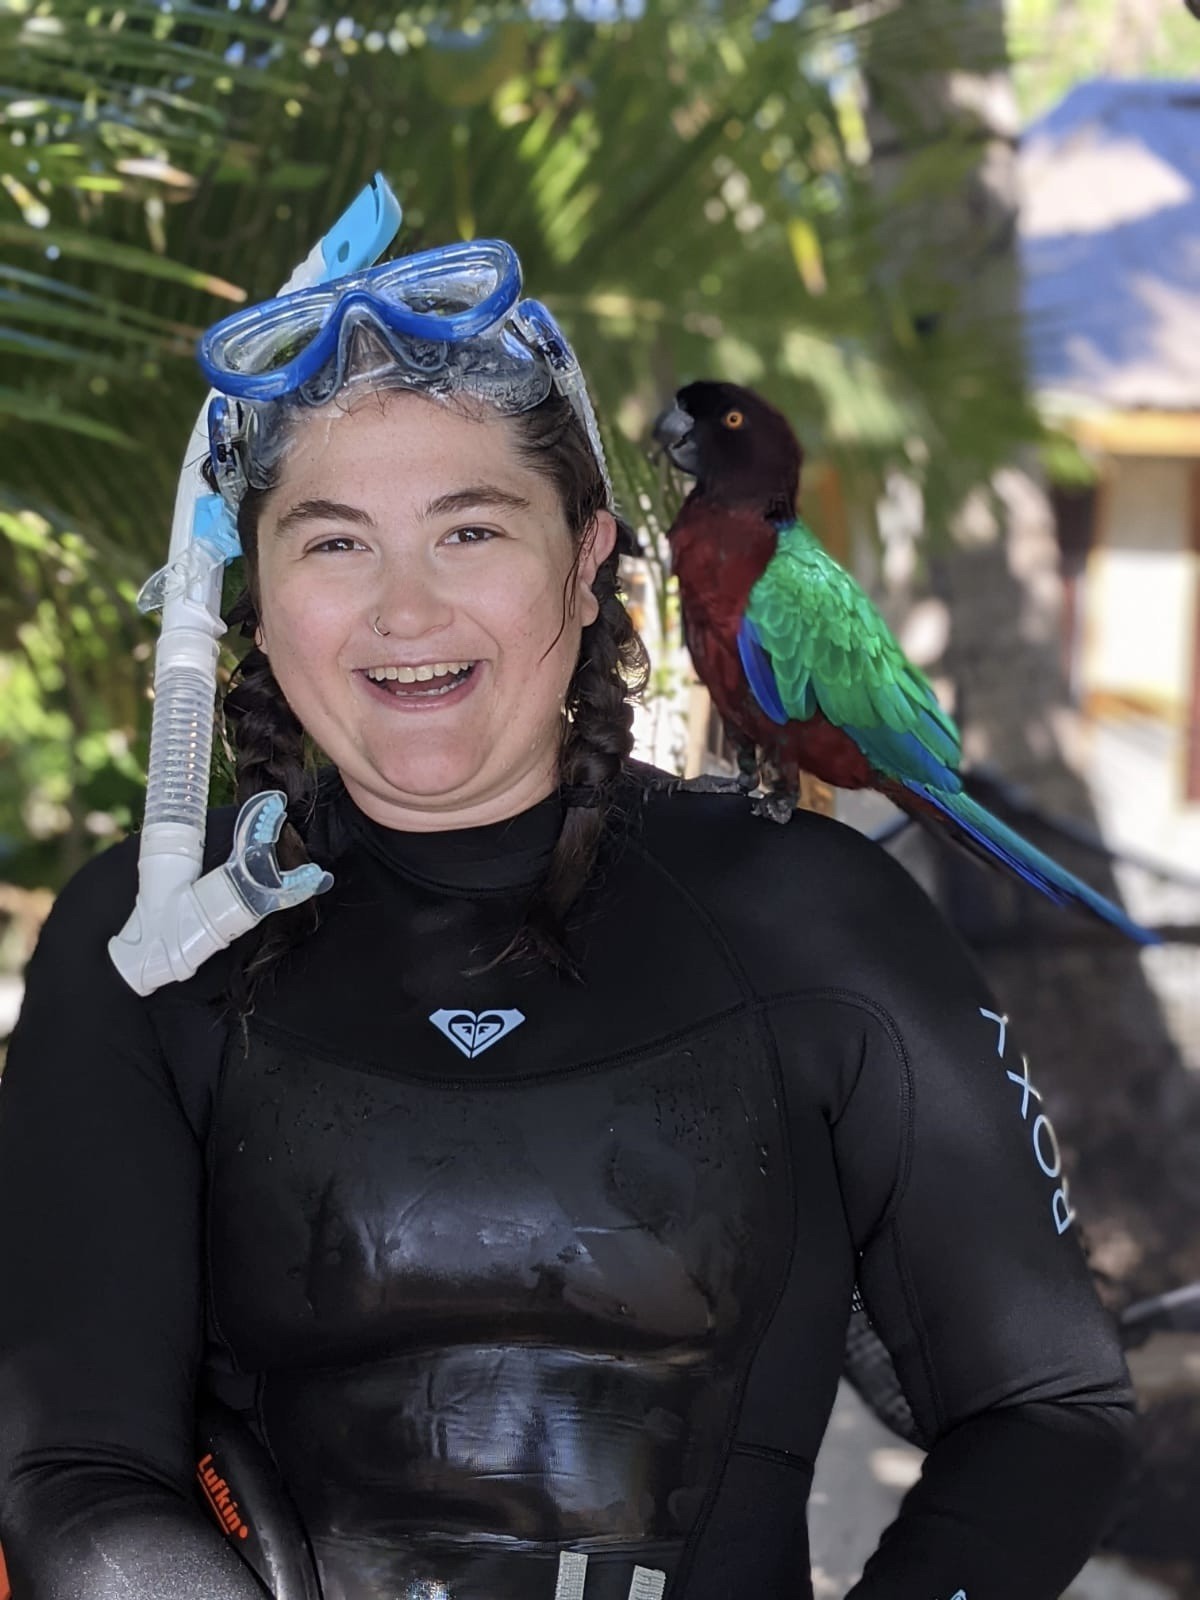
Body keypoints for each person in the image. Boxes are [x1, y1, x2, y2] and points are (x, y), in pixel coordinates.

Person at [0, 224, 1136, 1600]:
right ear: (252, 587)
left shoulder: (814, 917)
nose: (403, 609)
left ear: (587, 556)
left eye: (470, 530)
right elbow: (73, 1476)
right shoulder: (144, 941)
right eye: (333, 540)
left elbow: (1047, 1407)